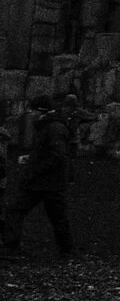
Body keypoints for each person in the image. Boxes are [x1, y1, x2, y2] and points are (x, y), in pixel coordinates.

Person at [2, 96, 77, 261]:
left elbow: (57, 156)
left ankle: (12, 247)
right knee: (56, 216)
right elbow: (52, 153)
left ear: (41, 111)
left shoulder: (54, 128)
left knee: (21, 210)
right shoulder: (52, 126)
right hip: (48, 182)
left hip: (46, 182)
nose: (30, 113)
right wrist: (32, 158)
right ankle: (66, 250)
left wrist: (34, 168)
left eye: (33, 109)